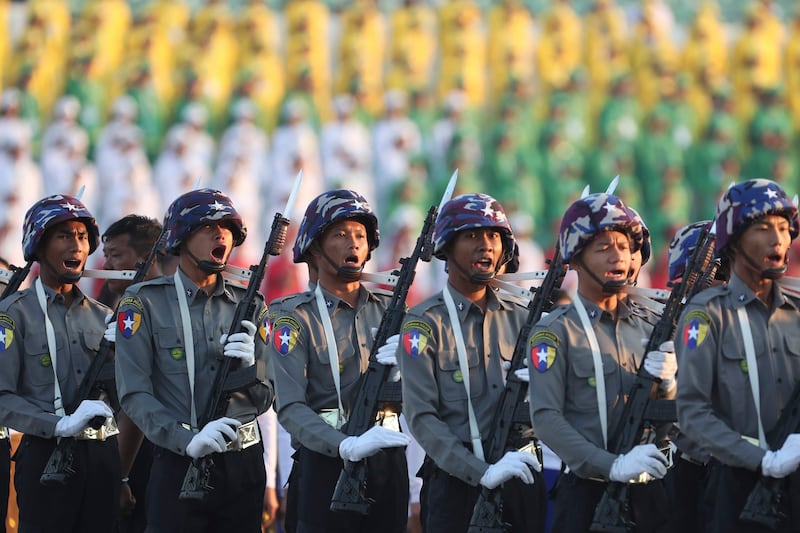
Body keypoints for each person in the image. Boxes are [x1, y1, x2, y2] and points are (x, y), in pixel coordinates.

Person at [114, 189, 274, 532]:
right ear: (181, 236)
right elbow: (135, 394)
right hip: (178, 458)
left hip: (242, 464)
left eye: (228, 229)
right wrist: (185, 439)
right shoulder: (144, 304)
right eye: (208, 227)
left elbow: (266, 397)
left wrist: (254, 369)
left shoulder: (251, 304)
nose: (221, 235)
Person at [398, 193, 545, 533]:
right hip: (456, 485)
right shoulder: (424, 323)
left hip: (522, 476)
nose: (486, 245)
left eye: (494, 236)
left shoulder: (527, 319)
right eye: (472, 235)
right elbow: (422, 417)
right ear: (447, 246)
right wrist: (480, 471)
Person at [529, 192, 676, 532]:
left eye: (624, 247)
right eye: (604, 247)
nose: (618, 257)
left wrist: (669, 387)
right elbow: (547, 418)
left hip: (651, 492)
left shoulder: (651, 325)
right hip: (586, 494)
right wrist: (610, 465)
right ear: (575, 258)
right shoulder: (555, 331)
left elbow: (672, 424)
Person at [269, 189, 411, 533]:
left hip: (387, 463)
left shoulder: (394, 311)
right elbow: (290, 407)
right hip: (325, 462)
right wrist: (344, 444)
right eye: (341, 234)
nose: (354, 243)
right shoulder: (292, 317)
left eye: (360, 236)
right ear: (315, 247)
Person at [675, 178, 800, 533]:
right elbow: (693, 414)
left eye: (783, 228)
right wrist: (764, 460)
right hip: (737, 485)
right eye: (763, 228)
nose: (778, 239)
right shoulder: (707, 314)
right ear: (734, 239)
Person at [0, 194, 121, 532]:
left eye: (82, 237)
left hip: (102, 458)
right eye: (64, 236)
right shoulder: (14, 314)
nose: (77, 246)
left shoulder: (104, 317)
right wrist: (56, 425)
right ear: (39, 244)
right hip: (44, 455)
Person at [99, 214, 164, 533]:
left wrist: (120, 475)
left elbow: (136, 403)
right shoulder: (117, 301)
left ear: (143, 258)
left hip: (149, 456)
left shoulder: (146, 308)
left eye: (115, 256)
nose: (106, 263)